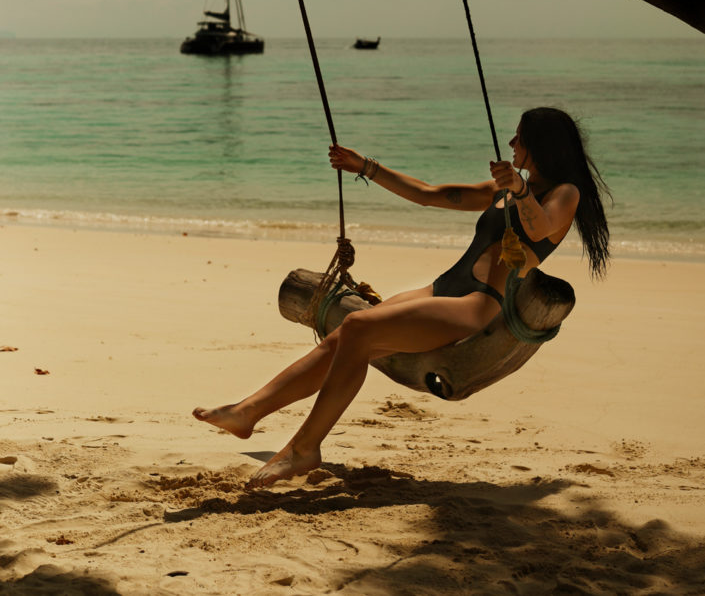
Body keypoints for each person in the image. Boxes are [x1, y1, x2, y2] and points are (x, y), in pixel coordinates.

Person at [193, 106, 610, 489]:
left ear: (541, 145)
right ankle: (247, 413)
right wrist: (365, 167)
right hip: (442, 289)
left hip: (478, 303)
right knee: (344, 337)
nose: (511, 144)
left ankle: (305, 448)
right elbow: (429, 193)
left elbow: (539, 229)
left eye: (519, 138)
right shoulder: (504, 190)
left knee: (356, 326)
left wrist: (518, 189)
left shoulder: (563, 194)